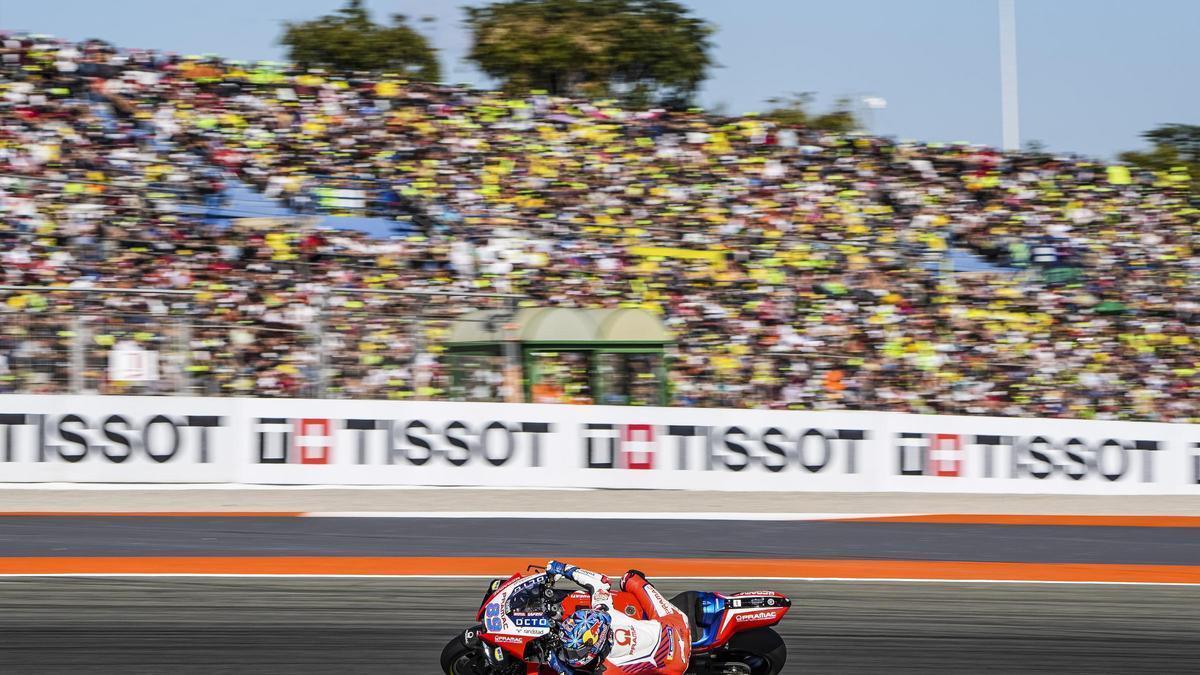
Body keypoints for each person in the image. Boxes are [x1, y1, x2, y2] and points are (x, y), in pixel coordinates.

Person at [545, 560, 691, 674]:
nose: (569, 655)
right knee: (629, 578)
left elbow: (601, 581)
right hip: (673, 622)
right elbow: (600, 581)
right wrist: (564, 569)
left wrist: (558, 666)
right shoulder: (605, 612)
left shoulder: (609, 669)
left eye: (574, 652)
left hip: (676, 662)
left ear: (594, 646)